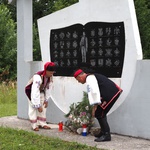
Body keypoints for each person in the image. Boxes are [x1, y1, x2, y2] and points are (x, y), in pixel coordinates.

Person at [73, 69, 123, 142]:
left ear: (80, 77)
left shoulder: (90, 78)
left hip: (110, 94)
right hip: (111, 92)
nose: (79, 82)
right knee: (100, 112)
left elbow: (94, 92)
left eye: (78, 80)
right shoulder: (91, 77)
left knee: (99, 113)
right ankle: (103, 132)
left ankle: (106, 135)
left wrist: (95, 106)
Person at [25, 62, 56, 131]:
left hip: (41, 91)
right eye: (50, 72)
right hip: (31, 92)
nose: (51, 74)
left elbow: (49, 88)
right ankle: (34, 125)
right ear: (46, 70)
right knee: (33, 107)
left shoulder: (50, 77)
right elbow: (35, 91)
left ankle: (42, 123)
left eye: (52, 73)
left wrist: (46, 99)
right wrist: (37, 105)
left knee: (43, 106)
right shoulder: (38, 77)